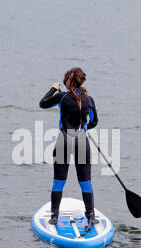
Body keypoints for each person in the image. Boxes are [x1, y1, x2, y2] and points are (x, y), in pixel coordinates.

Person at [39, 67, 99, 227]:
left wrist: (53, 88)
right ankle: (91, 216)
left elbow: (42, 104)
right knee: (85, 182)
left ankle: (54, 216)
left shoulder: (61, 97)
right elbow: (94, 121)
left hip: (63, 141)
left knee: (59, 181)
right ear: (81, 81)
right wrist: (83, 129)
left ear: (67, 81)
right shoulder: (89, 99)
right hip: (81, 142)